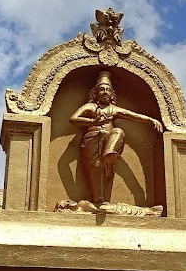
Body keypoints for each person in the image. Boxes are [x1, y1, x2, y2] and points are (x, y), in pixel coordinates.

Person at [70, 71, 163, 205]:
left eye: (108, 90)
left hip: (109, 142)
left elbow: (132, 115)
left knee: (118, 131)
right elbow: (73, 119)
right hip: (92, 140)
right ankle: (98, 200)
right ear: (95, 93)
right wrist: (93, 122)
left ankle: (109, 153)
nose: (105, 92)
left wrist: (150, 120)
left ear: (112, 94)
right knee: (96, 167)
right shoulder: (90, 107)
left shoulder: (113, 109)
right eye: (102, 89)